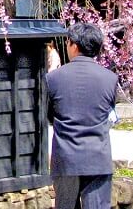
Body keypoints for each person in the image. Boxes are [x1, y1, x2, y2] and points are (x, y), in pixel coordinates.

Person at [46, 23, 118, 209]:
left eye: (68, 42)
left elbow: (49, 116)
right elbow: (109, 113)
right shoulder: (110, 78)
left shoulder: (53, 79)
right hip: (98, 156)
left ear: (74, 46)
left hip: (66, 156)